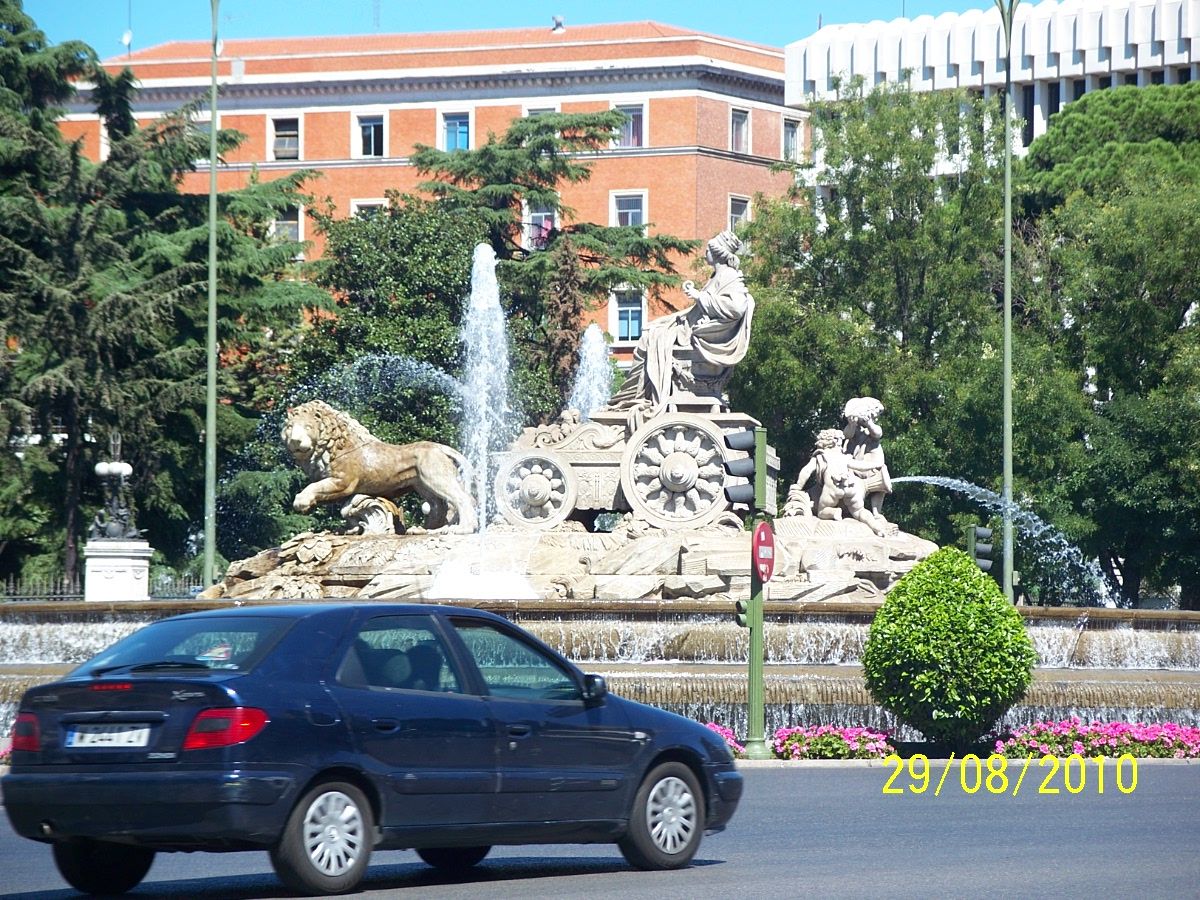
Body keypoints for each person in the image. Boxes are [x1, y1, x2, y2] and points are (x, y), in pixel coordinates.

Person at [606, 230, 754, 417]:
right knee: (652, 334)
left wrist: (700, 296)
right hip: (691, 327)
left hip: (700, 334)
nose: (704, 254)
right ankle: (631, 397)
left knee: (652, 339)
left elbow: (737, 307)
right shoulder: (717, 276)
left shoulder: (730, 276)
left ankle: (633, 397)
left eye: (707, 249)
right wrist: (665, 319)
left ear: (716, 252)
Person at [841, 397, 892, 521]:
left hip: (874, 463)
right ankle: (855, 508)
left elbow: (877, 433)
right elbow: (847, 434)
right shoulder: (855, 429)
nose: (876, 415)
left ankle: (876, 511)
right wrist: (852, 424)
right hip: (857, 463)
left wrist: (869, 423)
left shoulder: (872, 427)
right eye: (875, 412)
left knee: (881, 486)